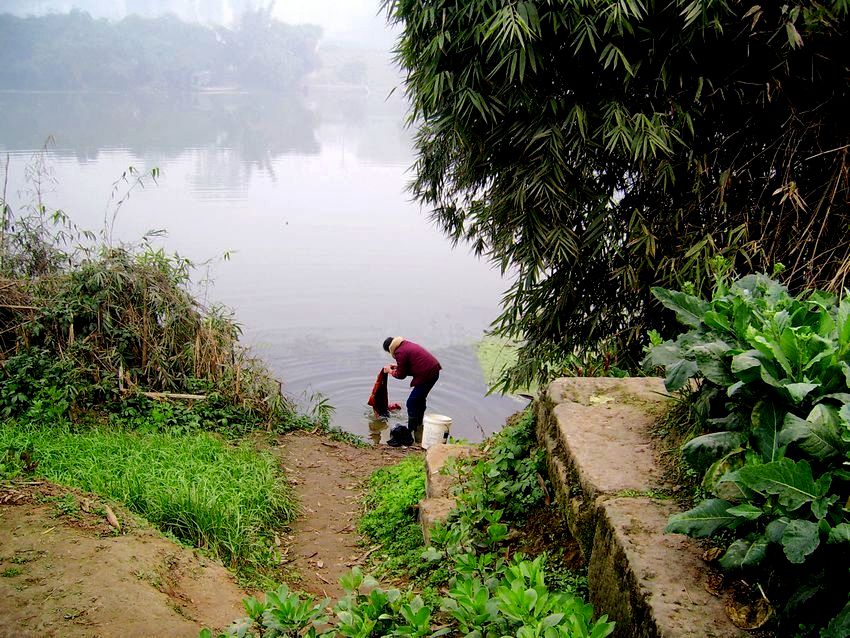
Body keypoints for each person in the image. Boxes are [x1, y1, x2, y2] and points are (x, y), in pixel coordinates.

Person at [382, 336, 441, 447]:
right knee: (419, 400)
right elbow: (412, 365)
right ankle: (418, 427)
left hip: (427, 375)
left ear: (390, 349)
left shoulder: (399, 352)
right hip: (432, 371)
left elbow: (401, 375)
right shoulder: (404, 345)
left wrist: (390, 371)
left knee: (412, 402)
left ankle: (411, 429)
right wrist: (397, 366)